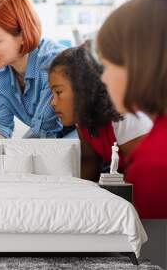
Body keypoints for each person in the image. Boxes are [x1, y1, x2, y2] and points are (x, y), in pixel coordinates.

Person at [97, 0, 167, 219]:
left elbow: (154, 251)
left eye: (107, 66)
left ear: (139, 66)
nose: (103, 78)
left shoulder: (154, 165)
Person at [49, 46, 152, 181]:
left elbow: (143, 171)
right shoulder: (82, 119)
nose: (53, 102)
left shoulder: (124, 116)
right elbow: (89, 160)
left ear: (83, 90)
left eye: (58, 92)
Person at [0, 0, 65, 139]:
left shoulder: (52, 65)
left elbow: (46, 131)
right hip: (47, 140)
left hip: (80, 139)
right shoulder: (0, 74)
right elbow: (0, 125)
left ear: (23, 36)